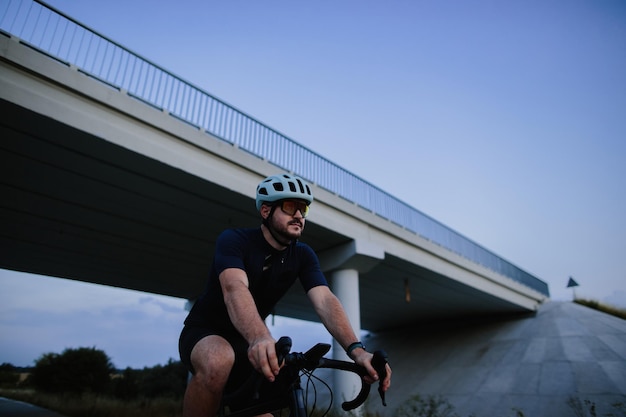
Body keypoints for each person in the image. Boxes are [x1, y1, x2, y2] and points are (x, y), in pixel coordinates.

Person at [179, 173, 392, 417]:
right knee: (218, 360)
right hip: (206, 332)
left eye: (304, 210)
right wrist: (260, 337)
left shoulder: (303, 255)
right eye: (291, 207)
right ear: (266, 211)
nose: (299, 215)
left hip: (248, 346)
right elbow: (234, 288)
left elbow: (324, 299)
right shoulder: (235, 240)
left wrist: (358, 351)